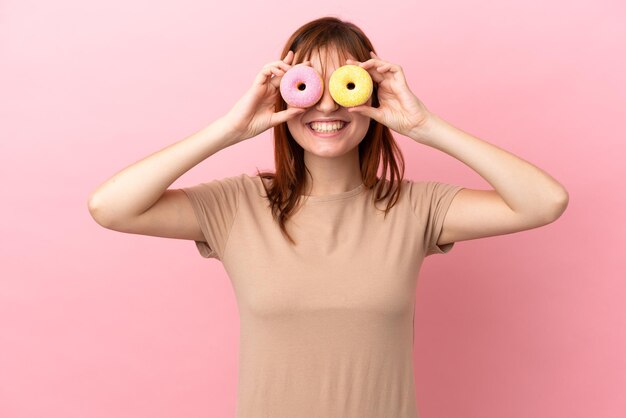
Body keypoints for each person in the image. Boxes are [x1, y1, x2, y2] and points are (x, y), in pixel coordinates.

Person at [88, 16, 568, 418]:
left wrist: (426, 126)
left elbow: (544, 201)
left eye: (344, 86)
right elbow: (109, 207)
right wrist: (229, 129)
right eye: (307, 86)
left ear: (371, 96)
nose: (325, 105)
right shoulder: (236, 207)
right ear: (284, 96)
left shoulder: (416, 208)